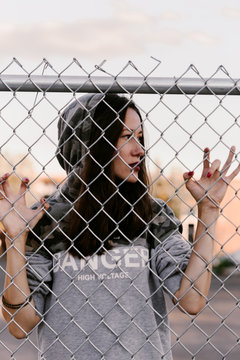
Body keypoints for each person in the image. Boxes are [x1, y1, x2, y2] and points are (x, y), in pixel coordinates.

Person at [1, 94, 239, 360]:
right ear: (89, 144)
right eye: (126, 137)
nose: (139, 149)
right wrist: (15, 239)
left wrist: (208, 211)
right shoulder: (45, 220)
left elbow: (192, 300)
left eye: (140, 137)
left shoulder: (152, 215)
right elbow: (20, 325)